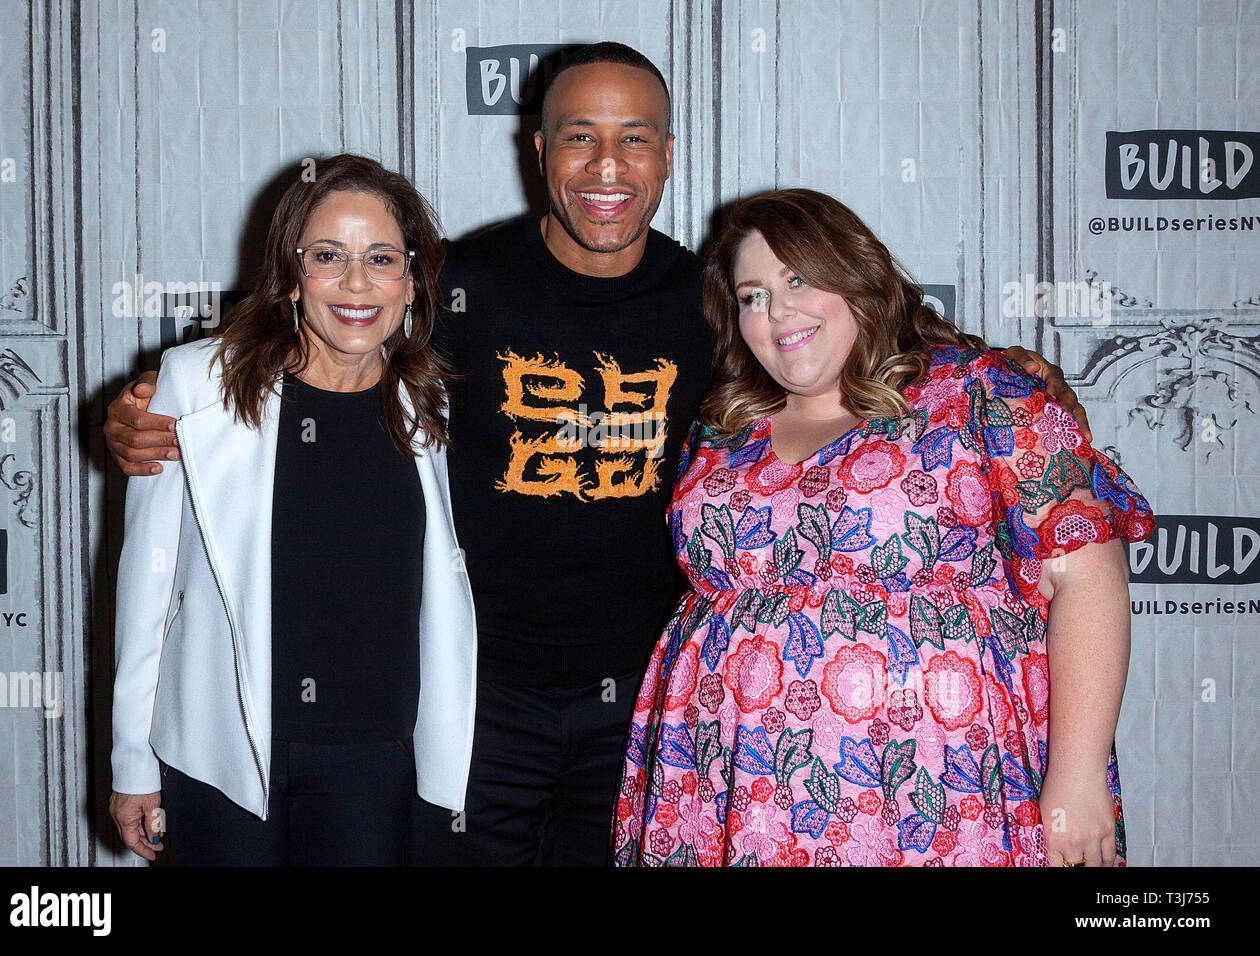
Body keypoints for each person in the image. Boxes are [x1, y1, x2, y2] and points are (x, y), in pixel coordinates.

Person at [104, 43, 1088, 866]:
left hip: (644, 705)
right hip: (475, 699)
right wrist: (152, 410)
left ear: (665, 156)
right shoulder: (458, 286)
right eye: (579, 136)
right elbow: (319, 344)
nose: (604, 164)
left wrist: (1000, 371)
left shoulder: (716, 302)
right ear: (539, 151)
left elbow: (848, 348)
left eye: (631, 140)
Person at [613, 188, 1155, 867]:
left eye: (798, 279)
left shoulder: (980, 392)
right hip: (730, 787)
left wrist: (1075, 778)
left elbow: (1090, 578)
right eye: (752, 296)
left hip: (945, 789)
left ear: (857, 276)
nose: (777, 310)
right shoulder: (724, 429)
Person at [108, 154, 476, 866]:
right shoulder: (195, 385)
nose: (357, 283)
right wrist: (132, 763)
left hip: (377, 760)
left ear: (412, 278)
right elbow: (147, 585)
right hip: (224, 752)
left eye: (382, 258)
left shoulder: (426, 404)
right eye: (328, 256)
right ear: (289, 272)